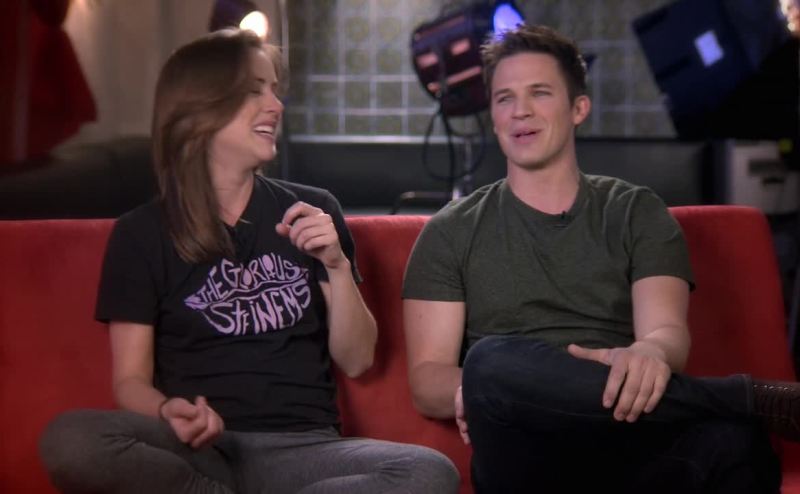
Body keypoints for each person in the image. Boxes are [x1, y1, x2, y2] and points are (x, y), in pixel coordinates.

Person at [39, 28, 459, 494]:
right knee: (70, 438)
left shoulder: (312, 210)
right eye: (255, 91)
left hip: (303, 450)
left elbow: (358, 360)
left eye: (275, 91)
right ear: (200, 110)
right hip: (201, 454)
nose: (276, 106)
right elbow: (130, 381)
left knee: (428, 471)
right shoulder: (140, 234)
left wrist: (337, 265)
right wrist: (165, 411)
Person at [403, 23, 800, 494]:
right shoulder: (451, 230)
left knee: (739, 443)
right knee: (488, 364)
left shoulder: (636, 211)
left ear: (579, 109)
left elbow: (666, 331)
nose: (520, 110)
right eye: (504, 98)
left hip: (633, 439)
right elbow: (428, 381)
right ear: (493, 116)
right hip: (524, 454)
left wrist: (651, 352)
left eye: (540, 93)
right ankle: (745, 397)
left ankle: (741, 409)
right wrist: (492, 386)